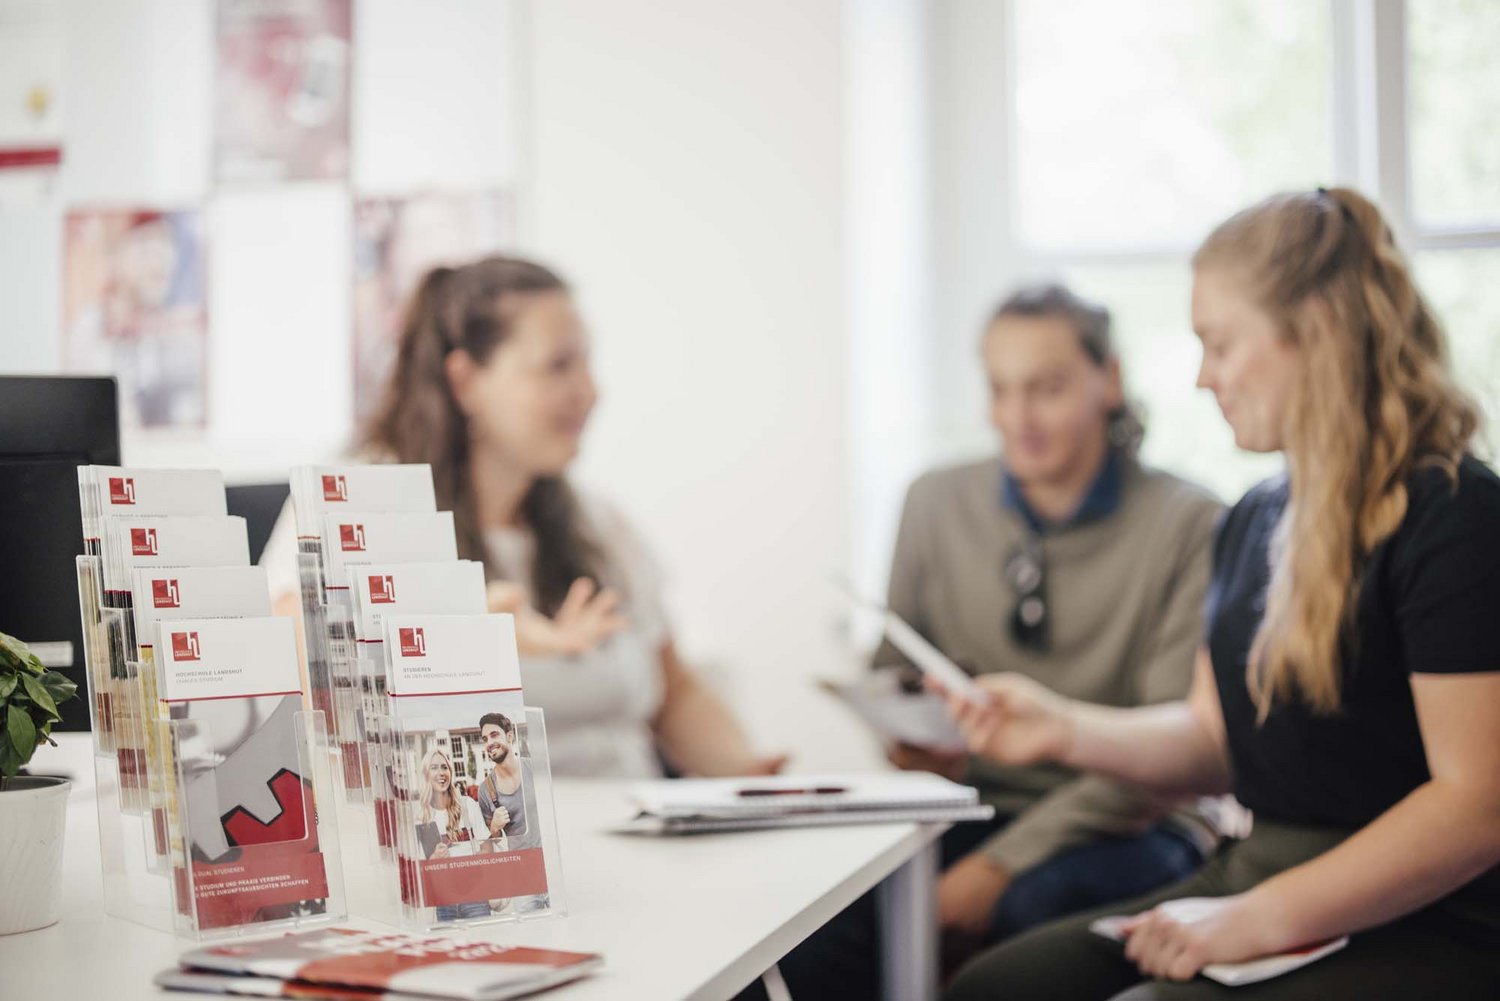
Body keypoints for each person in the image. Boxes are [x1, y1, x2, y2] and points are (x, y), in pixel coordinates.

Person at [944, 187, 1500, 1001]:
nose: (1205, 378)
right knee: (997, 987)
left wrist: (1258, 917)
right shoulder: (1253, 518)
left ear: (1315, 331)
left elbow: (1476, 805)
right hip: (1257, 870)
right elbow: (1212, 740)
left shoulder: (1455, 516)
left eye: (1220, 344)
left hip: (1433, 914)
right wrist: (1059, 726)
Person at [770, 284, 1223, 999]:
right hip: (965, 805)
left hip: (1131, 819)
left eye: (1045, 388)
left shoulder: (1191, 522)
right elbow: (897, 678)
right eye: (1000, 389)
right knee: (809, 927)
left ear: (1109, 381)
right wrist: (912, 741)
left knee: (1031, 912)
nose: (1018, 419)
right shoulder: (933, 502)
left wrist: (994, 869)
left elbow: (1168, 756)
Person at [263, 256, 783, 779]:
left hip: (639, 821)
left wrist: (749, 775)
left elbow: (675, 692)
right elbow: (301, 679)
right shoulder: (356, 505)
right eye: (559, 366)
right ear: (465, 382)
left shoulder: (599, 522)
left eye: (585, 363)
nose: (590, 390)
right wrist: (468, 629)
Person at [415, 744, 500, 922]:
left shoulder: (468, 805)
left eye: (444, 767)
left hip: (475, 897)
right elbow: (423, 870)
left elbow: (487, 849)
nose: (441, 772)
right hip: (444, 902)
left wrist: (468, 864)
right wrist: (435, 860)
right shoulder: (423, 818)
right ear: (426, 775)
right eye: (434, 767)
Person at [475, 711, 536, 849]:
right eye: (485, 739)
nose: (489, 743)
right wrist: (494, 828)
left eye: (494, 735)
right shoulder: (485, 790)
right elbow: (494, 841)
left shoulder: (534, 768)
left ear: (509, 736)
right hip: (520, 863)